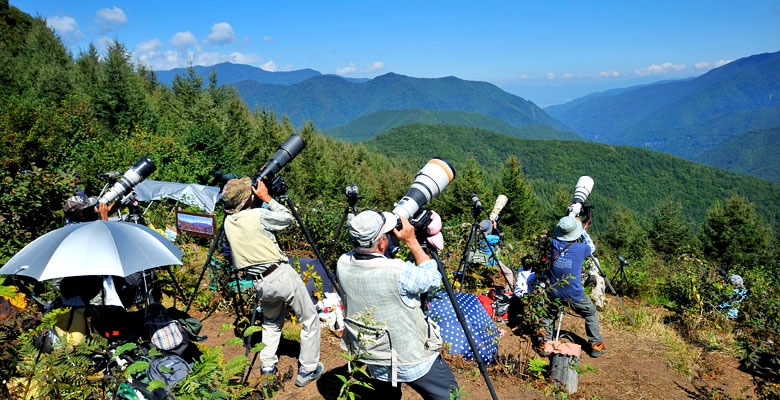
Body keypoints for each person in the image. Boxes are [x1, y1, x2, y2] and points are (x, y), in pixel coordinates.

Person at [337, 210, 459, 400]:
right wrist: (412, 241)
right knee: (450, 395)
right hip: (413, 360)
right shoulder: (397, 270)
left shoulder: (342, 262)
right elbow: (434, 279)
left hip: (375, 357)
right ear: (381, 242)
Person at [221, 177, 323, 387]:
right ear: (249, 199)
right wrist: (267, 198)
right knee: (310, 319)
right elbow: (287, 219)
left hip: (259, 283)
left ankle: (267, 366)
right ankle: (308, 369)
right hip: (280, 274)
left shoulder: (228, 222)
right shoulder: (258, 215)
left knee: (271, 323)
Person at [541, 216, 607, 358]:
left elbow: (558, 234)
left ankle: (544, 343)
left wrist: (569, 224)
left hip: (553, 291)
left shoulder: (554, 244)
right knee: (590, 313)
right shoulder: (581, 248)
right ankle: (596, 345)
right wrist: (581, 229)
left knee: (549, 314)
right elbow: (592, 247)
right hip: (574, 294)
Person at [478, 219, 514, 291]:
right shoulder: (489, 238)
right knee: (509, 273)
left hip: (482, 260)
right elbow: (500, 237)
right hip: (492, 261)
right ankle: (508, 291)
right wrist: (495, 227)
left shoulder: (479, 237)